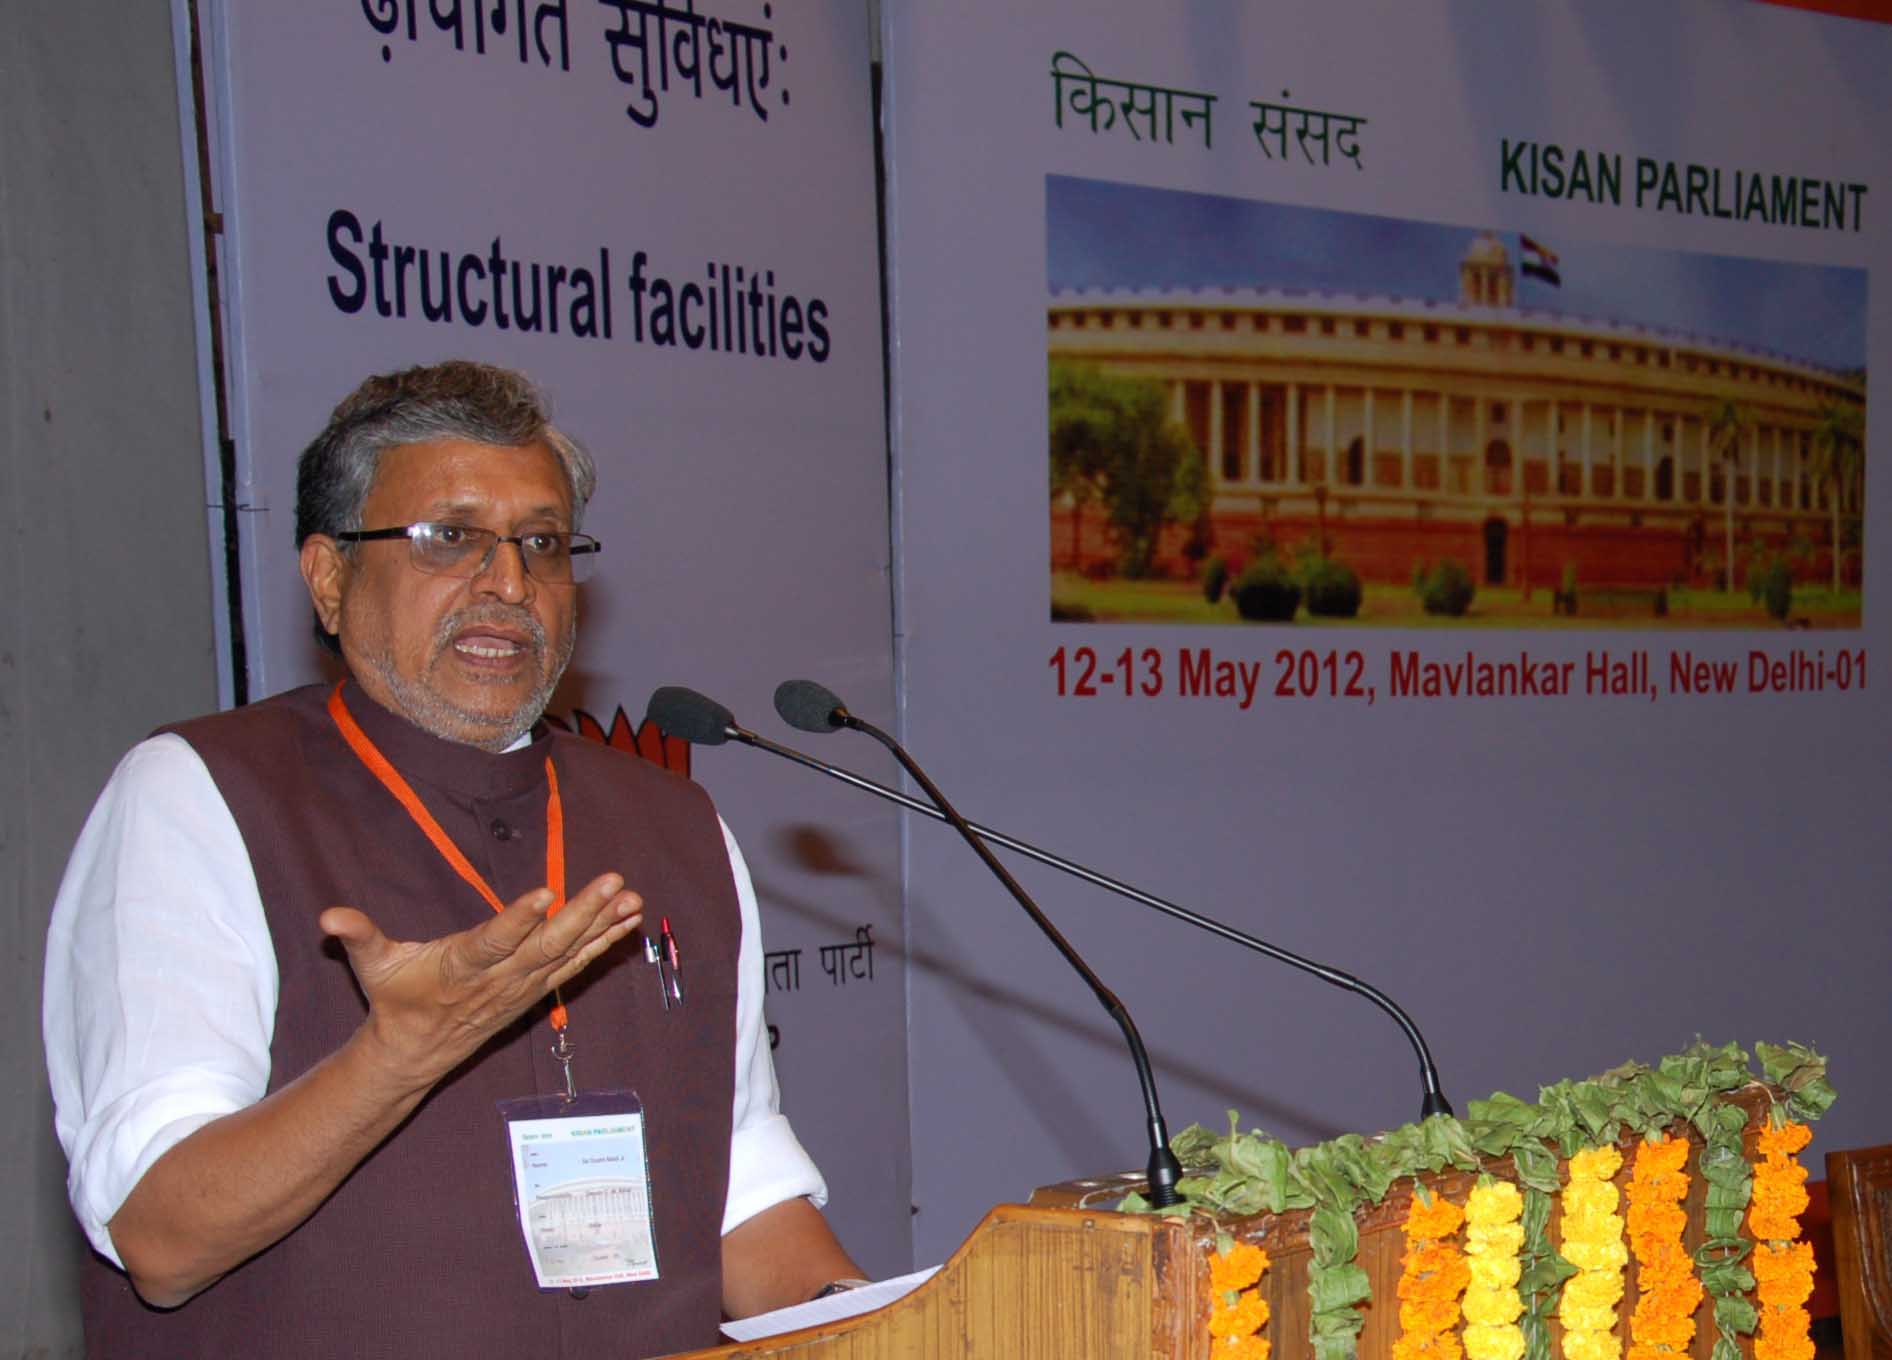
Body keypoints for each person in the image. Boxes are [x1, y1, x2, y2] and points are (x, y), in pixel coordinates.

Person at [43, 360, 862, 1358]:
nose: (509, 582)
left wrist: (891, 1328)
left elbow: (741, 1184)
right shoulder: (200, 796)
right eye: (451, 538)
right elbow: (160, 1235)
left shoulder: (674, 826)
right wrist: (394, 1058)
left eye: (542, 542)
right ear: (330, 575)